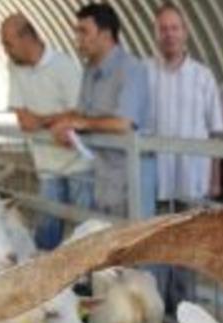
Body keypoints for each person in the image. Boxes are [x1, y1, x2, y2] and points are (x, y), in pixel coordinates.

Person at [49, 3, 155, 218]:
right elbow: (82, 115)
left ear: (106, 35)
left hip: (130, 180)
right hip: (102, 176)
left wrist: (81, 123)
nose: (78, 39)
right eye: (77, 32)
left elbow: (123, 123)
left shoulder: (131, 69)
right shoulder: (89, 70)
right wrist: (67, 128)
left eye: (84, 32)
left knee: (134, 235)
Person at [1, 14, 91, 250]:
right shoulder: (14, 67)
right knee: (47, 229)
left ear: (26, 38)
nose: (5, 50)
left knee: (85, 228)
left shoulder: (64, 67)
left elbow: (79, 113)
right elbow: (24, 121)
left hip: (78, 164)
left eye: (8, 43)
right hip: (47, 166)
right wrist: (57, 121)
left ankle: (89, 272)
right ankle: (46, 271)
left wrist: (43, 120)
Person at [145, 2, 223, 208]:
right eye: (163, 29)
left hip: (194, 182)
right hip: (155, 182)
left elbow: (215, 132)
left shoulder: (203, 76)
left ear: (185, 32)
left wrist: (215, 180)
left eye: (175, 28)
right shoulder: (143, 73)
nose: (169, 34)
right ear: (155, 34)